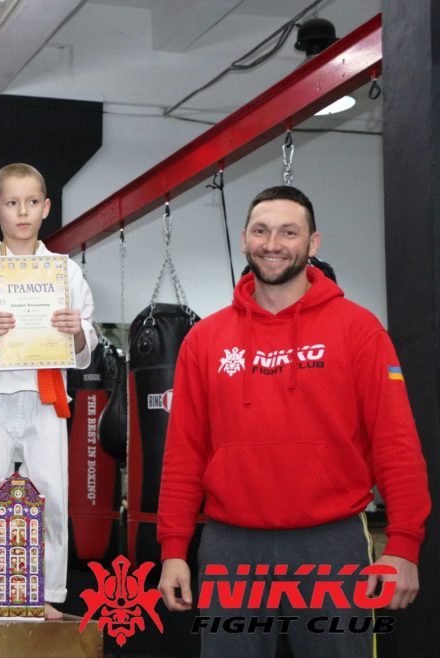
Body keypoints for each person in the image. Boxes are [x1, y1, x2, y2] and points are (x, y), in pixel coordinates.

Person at [156, 186, 430, 657]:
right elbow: (184, 453)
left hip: (330, 543)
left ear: (313, 242)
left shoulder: (359, 330)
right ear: (244, 239)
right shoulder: (204, 340)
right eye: (261, 231)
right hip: (231, 547)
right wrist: (173, 549)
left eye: (288, 232)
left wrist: (403, 542)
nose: (272, 244)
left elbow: (396, 442)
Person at [0, 163, 98, 619]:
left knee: (50, 491)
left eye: (31, 202)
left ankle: (46, 592)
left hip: (44, 393)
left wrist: (77, 329)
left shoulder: (65, 271)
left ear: (46, 208)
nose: (22, 211)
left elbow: (86, 334)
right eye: (12, 203)